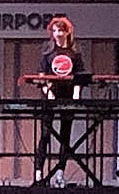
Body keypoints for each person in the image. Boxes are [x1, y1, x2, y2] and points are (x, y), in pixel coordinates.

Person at [33, 14, 90, 184]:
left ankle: (60, 173)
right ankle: (38, 172)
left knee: (65, 135)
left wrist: (76, 95)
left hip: (67, 95)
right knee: (45, 134)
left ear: (67, 32)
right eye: (55, 30)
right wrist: (48, 93)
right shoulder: (48, 52)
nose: (57, 34)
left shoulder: (75, 53)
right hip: (51, 96)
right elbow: (41, 76)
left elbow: (80, 76)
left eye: (60, 30)